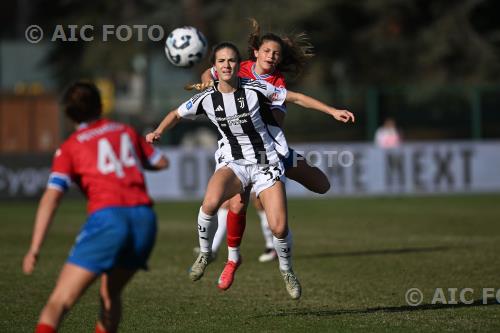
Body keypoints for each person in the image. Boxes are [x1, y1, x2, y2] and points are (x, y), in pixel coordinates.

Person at [147, 42, 352, 299]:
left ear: (238, 64)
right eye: (221, 61)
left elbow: (296, 98)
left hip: (267, 159)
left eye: (231, 60)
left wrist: (332, 111)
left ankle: (286, 270)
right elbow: (176, 114)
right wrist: (158, 131)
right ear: (215, 66)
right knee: (212, 202)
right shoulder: (207, 97)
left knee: (281, 225)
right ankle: (206, 253)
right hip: (234, 161)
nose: (227, 65)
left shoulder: (257, 88)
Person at [194, 19, 354, 290]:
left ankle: (272, 192)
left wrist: (331, 110)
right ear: (255, 52)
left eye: (276, 53)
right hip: (240, 155)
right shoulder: (237, 66)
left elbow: (289, 108)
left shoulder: (275, 83)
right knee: (237, 204)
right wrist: (208, 83)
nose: (271, 56)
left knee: (321, 185)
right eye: (267, 51)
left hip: (272, 152)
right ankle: (233, 260)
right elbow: (208, 75)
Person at [22, 82, 168, 333]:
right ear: (100, 106)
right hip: (144, 220)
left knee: (59, 301)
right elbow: (161, 162)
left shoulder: (71, 146)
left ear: (68, 114)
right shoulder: (125, 130)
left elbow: (51, 197)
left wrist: (34, 248)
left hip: (109, 219)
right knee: (110, 293)